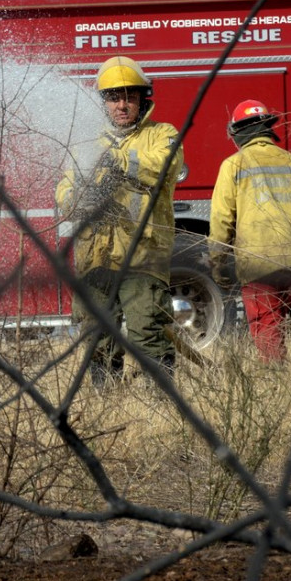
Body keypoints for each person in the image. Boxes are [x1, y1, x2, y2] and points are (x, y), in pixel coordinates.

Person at [56, 56, 184, 384]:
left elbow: (162, 166)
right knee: (97, 339)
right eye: (114, 97)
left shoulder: (162, 134)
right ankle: (106, 404)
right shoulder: (85, 141)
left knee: (148, 332)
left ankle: (161, 407)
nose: (122, 104)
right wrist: (77, 200)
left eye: (129, 96)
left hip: (143, 255)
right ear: (104, 103)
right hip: (95, 258)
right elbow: (64, 192)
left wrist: (118, 159)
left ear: (143, 98)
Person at [208, 100, 291, 363]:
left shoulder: (234, 165)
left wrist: (217, 262)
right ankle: (278, 373)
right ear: (267, 129)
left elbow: (221, 220)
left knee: (265, 327)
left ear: (238, 132)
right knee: (277, 322)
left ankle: (275, 380)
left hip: (258, 263)